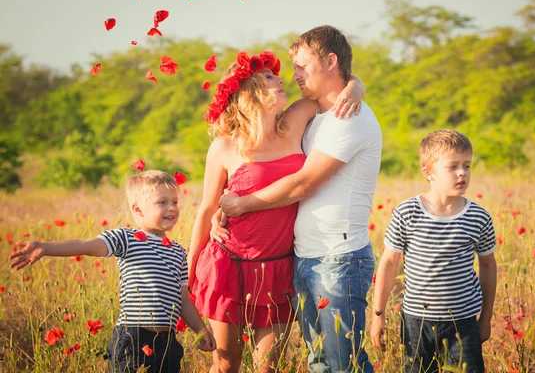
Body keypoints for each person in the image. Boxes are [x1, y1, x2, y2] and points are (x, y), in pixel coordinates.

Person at [187, 49, 366, 373]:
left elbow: (336, 86)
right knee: (227, 364)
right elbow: (205, 210)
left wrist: (356, 87)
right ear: (248, 92)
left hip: (278, 270)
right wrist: (185, 275)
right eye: (269, 77)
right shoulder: (225, 146)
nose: (281, 78)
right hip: (228, 266)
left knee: (268, 367)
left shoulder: (296, 120)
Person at [8, 170, 216, 373]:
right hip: (133, 337)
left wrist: (201, 330)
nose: (172, 207)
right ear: (138, 209)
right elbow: (86, 246)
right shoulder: (126, 238)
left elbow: (183, 299)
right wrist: (46, 248)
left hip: (167, 341)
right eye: (162, 202)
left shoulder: (178, 251)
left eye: (174, 202)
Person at [370, 129, 497, 373]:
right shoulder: (407, 213)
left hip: (463, 321)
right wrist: (379, 314)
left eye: (467, 166)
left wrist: (486, 318)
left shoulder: (478, 217)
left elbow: (488, 265)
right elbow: (388, 262)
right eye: (453, 167)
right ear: (428, 172)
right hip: (417, 322)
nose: (462, 172)